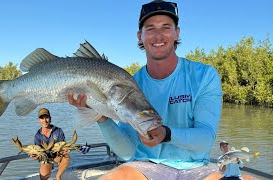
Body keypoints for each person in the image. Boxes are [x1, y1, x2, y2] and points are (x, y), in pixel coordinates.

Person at [68, 0, 223, 179]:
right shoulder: (129, 84)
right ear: (139, 36)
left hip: (196, 168)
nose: (158, 35)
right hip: (144, 166)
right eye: (150, 28)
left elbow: (205, 140)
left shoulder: (204, 75)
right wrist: (101, 116)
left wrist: (166, 134)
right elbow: (126, 152)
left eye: (166, 27)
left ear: (177, 33)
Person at [31, 108, 70, 180]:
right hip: (46, 158)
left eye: (47, 118)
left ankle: (58, 176)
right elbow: (38, 152)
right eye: (42, 118)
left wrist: (62, 152)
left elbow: (63, 145)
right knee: (43, 175)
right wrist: (35, 156)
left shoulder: (58, 131)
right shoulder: (37, 135)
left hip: (58, 155)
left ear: (50, 118)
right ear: (39, 120)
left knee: (66, 156)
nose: (45, 120)